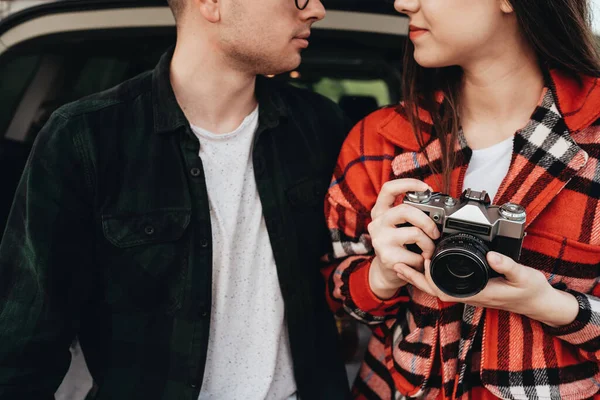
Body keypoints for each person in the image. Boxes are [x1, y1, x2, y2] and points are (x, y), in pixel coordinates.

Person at [0, 0, 351, 398]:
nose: (317, 9)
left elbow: (354, 281)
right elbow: (24, 348)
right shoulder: (87, 139)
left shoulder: (322, 128)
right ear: (213, 4)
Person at [323, 0, 600, 398]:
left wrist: (552, 306)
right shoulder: (379, 139)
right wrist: (380, 276)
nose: (402, 3)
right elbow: (337, 297)